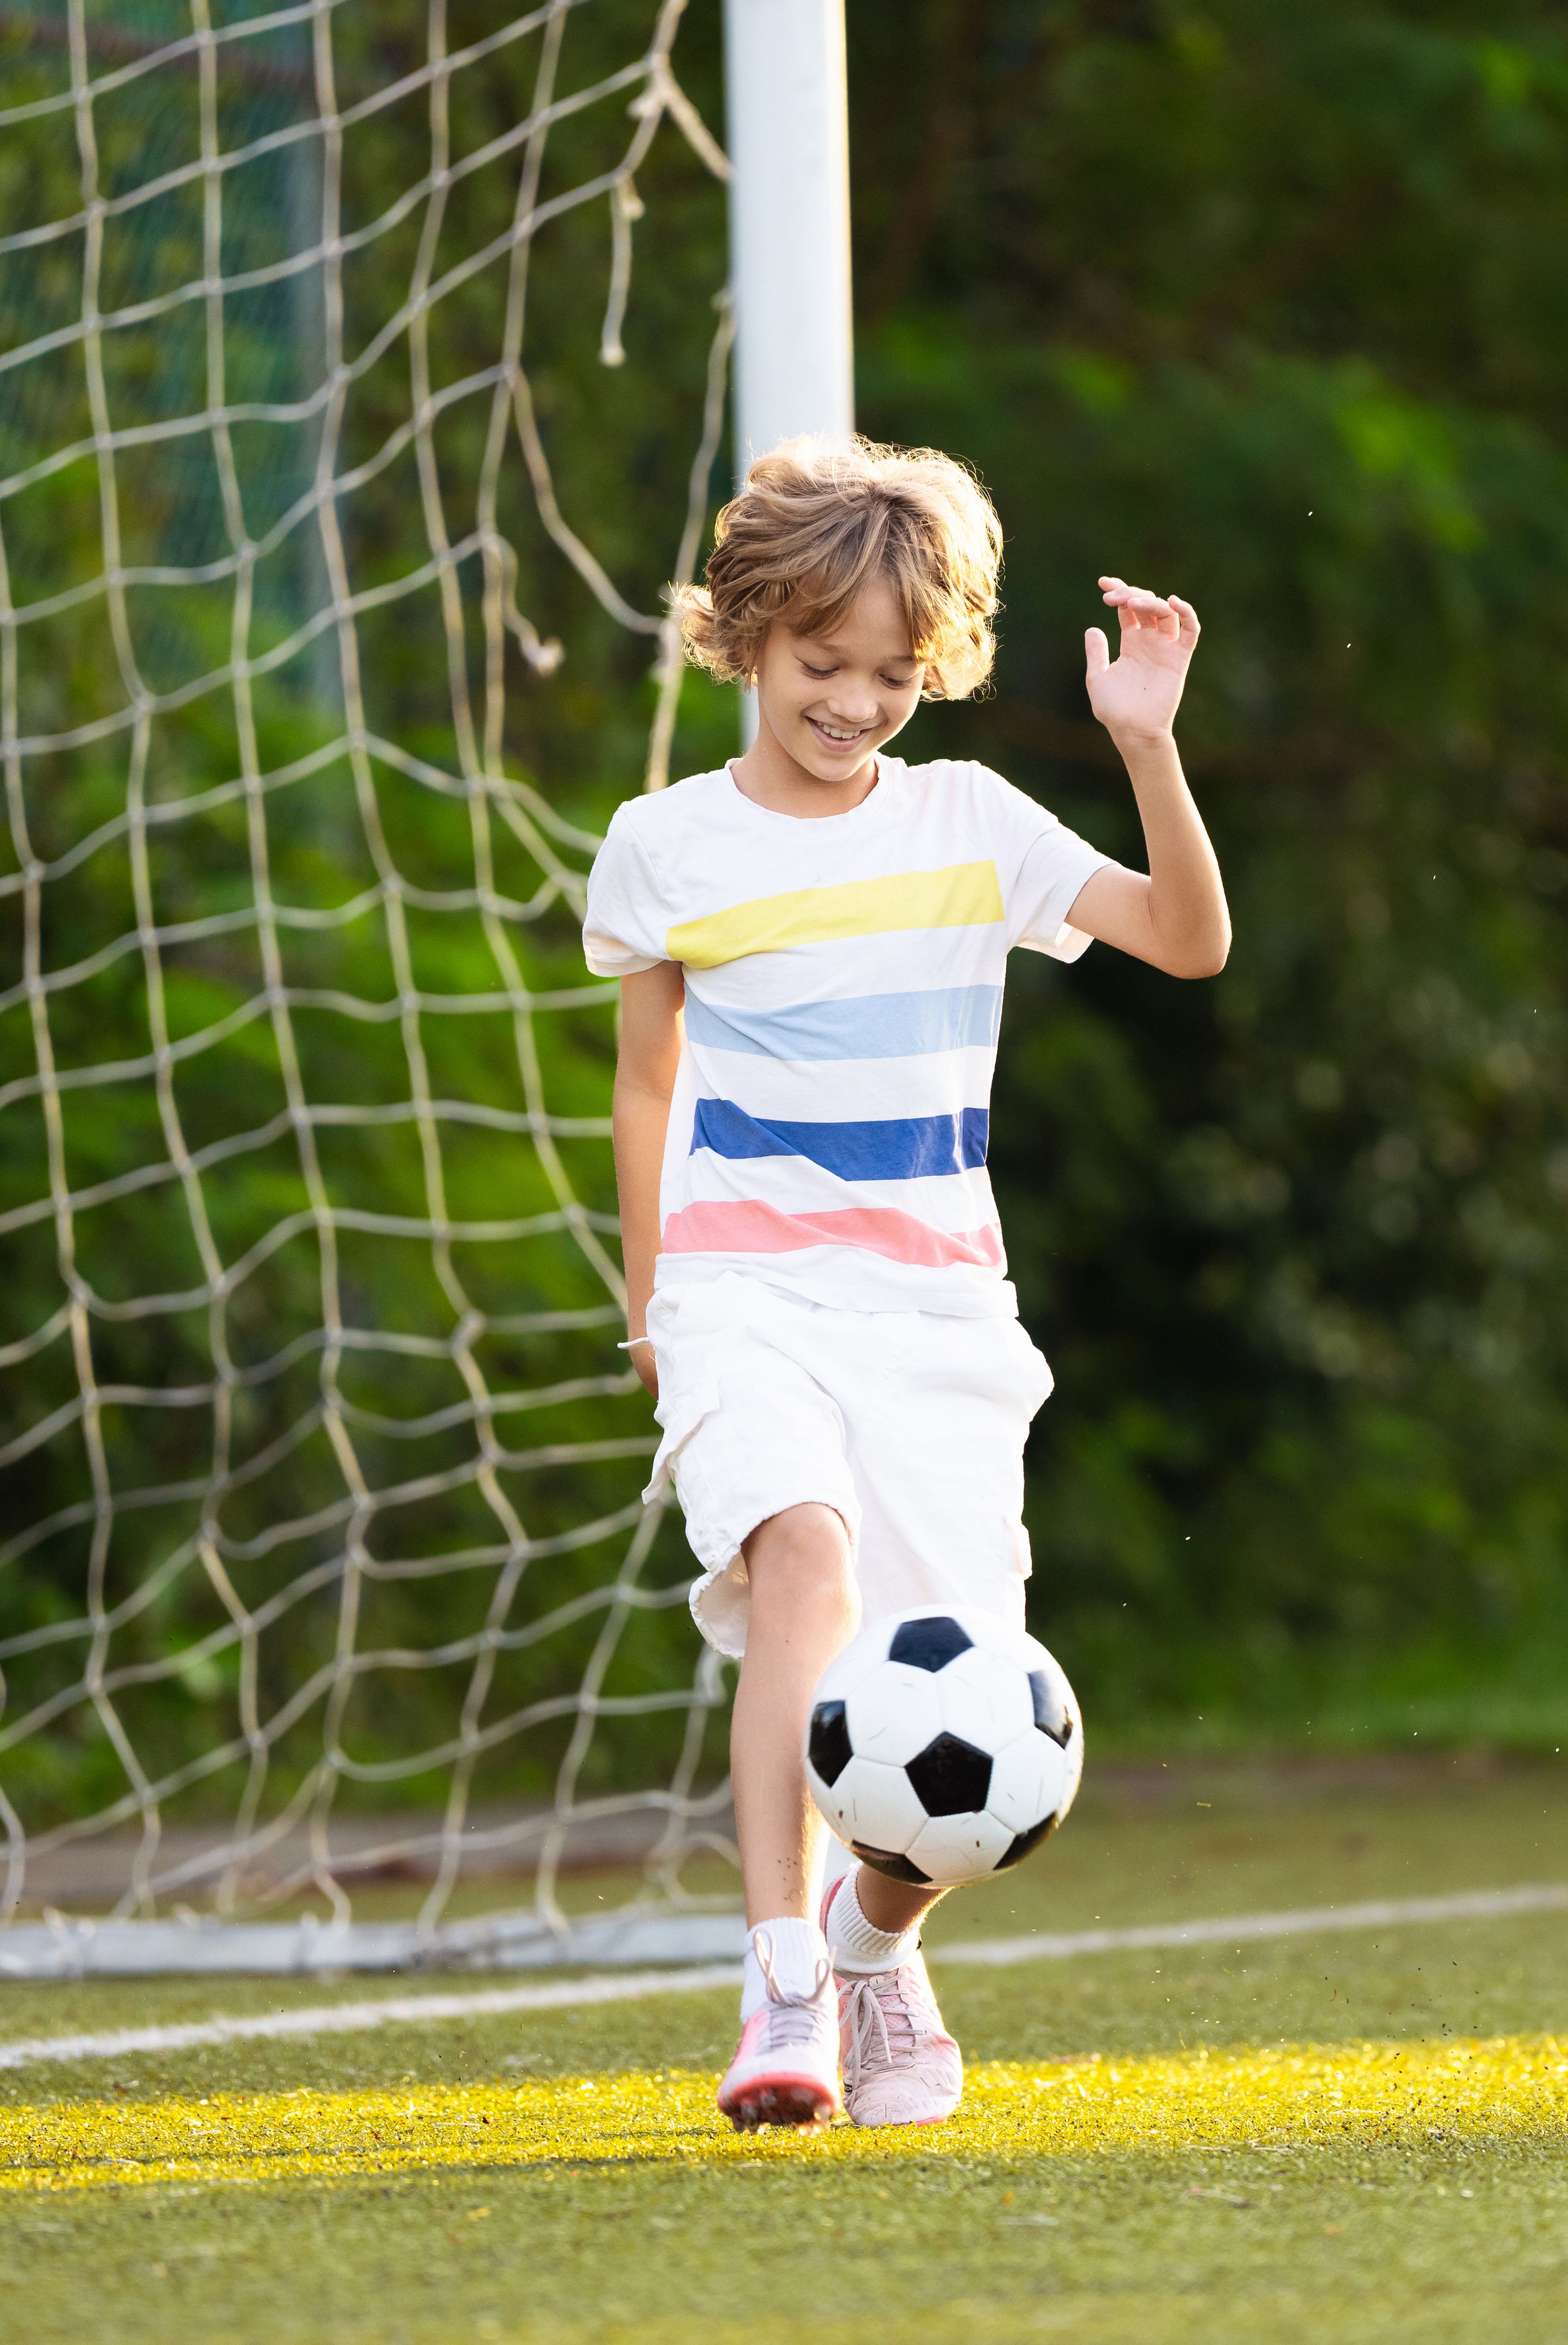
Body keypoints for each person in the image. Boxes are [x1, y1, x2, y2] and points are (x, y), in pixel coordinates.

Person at [582, 435, 1229, 2129]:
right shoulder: (664, 846)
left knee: (960, 1686)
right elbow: (648, 1083)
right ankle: (782, 1980)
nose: (856, 701)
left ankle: (877, 1947)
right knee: (805, 1561)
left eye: (890, 672)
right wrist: (653, 1297)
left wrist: (1147, 749)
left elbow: (1188, 938)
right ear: (742, 634)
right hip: (742, 1298)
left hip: (938, 1314)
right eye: (820, 663)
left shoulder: (973, 822)